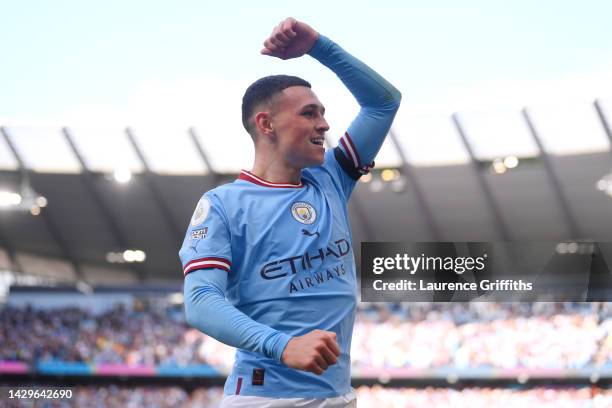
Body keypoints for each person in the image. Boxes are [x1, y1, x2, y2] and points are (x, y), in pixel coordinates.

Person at [179, 17, 401, 407]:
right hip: (267, 399)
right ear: (266, 124)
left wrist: (318, 45)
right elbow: (200, 301)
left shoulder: (330, 178)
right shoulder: (222, 205)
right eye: (309, 113)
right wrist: (282, 346)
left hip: (337, 396)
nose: (325, 123)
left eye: (322, 113)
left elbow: (383, 102)